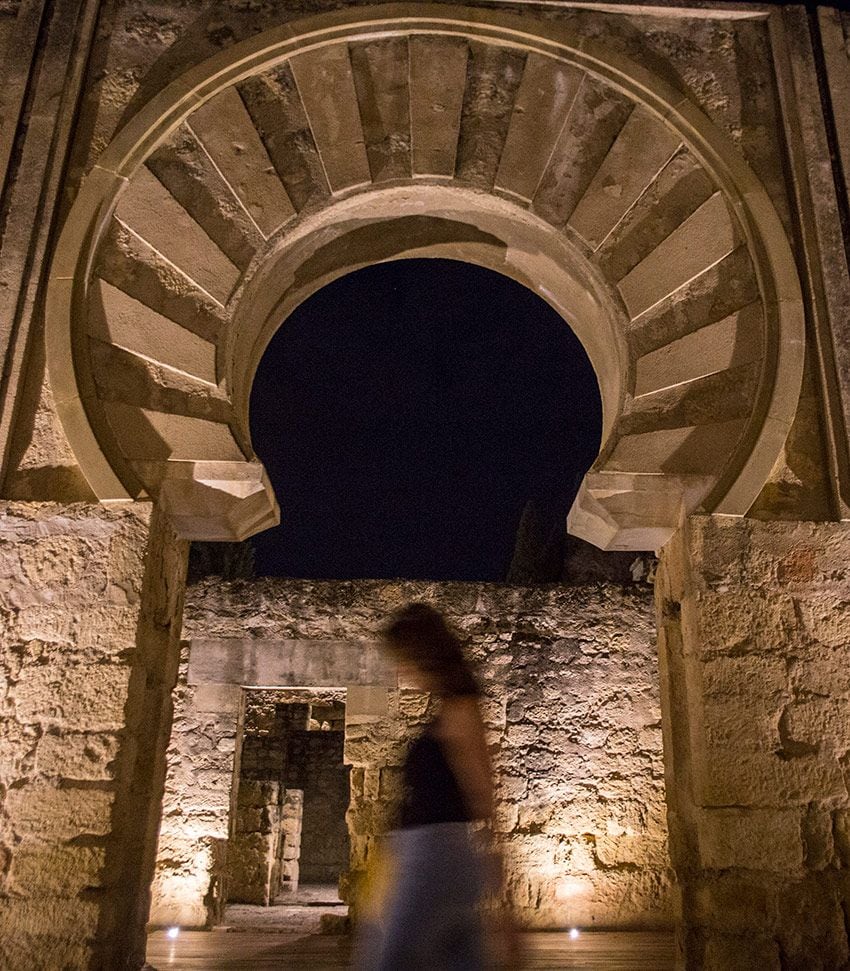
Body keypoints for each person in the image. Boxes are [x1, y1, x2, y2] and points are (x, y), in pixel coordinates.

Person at [353, 602, 503, 970]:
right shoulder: (449, 706)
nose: (401, 670)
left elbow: (483, 794)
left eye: (404, 659)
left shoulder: (461, 708)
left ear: (425, 655)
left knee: (392, 961)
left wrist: (502, 892)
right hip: (425, 855)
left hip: (435, 857)